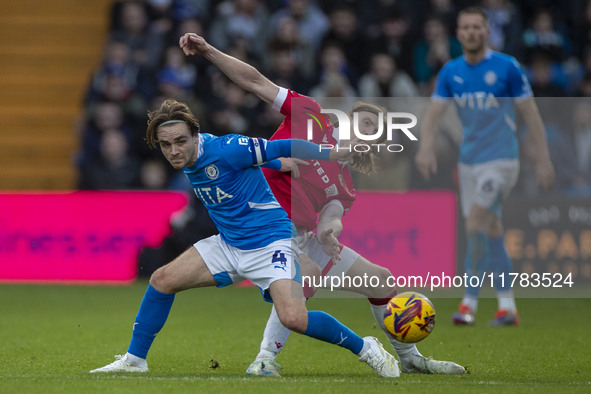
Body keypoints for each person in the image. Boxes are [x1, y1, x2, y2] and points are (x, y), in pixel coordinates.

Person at [179, 32, 465, 376]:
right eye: (368, 123)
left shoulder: (345, 185)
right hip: (265, 228)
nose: (370, 132)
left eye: (378, 133)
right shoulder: (310, 115)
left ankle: (410, 358)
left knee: (383, 281)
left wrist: (330, 231)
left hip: (300, 236)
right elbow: (256, 82)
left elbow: (332, 214)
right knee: (305, 281)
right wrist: (209, 50)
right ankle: (265, 358)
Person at [89, 98, 401, 378]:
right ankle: (134, 360)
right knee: (161, 279)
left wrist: (328, 152)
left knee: (293, 317)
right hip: (229, 244)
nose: (174, 150)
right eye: (166, 144)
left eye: (181, 142)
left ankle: (366, 347)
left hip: (271, 243)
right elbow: (263, 161)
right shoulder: (188, 157)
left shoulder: (227, 148)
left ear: (195, 136)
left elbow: (280, 146)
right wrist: (280, 166)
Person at [415, 7, 555, 326]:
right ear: (459, 34)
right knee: (492, 230)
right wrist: (425, 147)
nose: (472, 32)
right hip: (469, 163)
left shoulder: (507, 67)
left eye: (477, 27)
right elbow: (434, 113)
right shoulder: (451, 72)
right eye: (465, 28)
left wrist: (544, 157)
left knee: (475, 223)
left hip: (503, 160)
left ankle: (468, 304)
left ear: (487, 31)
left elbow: (531, 113)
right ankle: (507, 307)